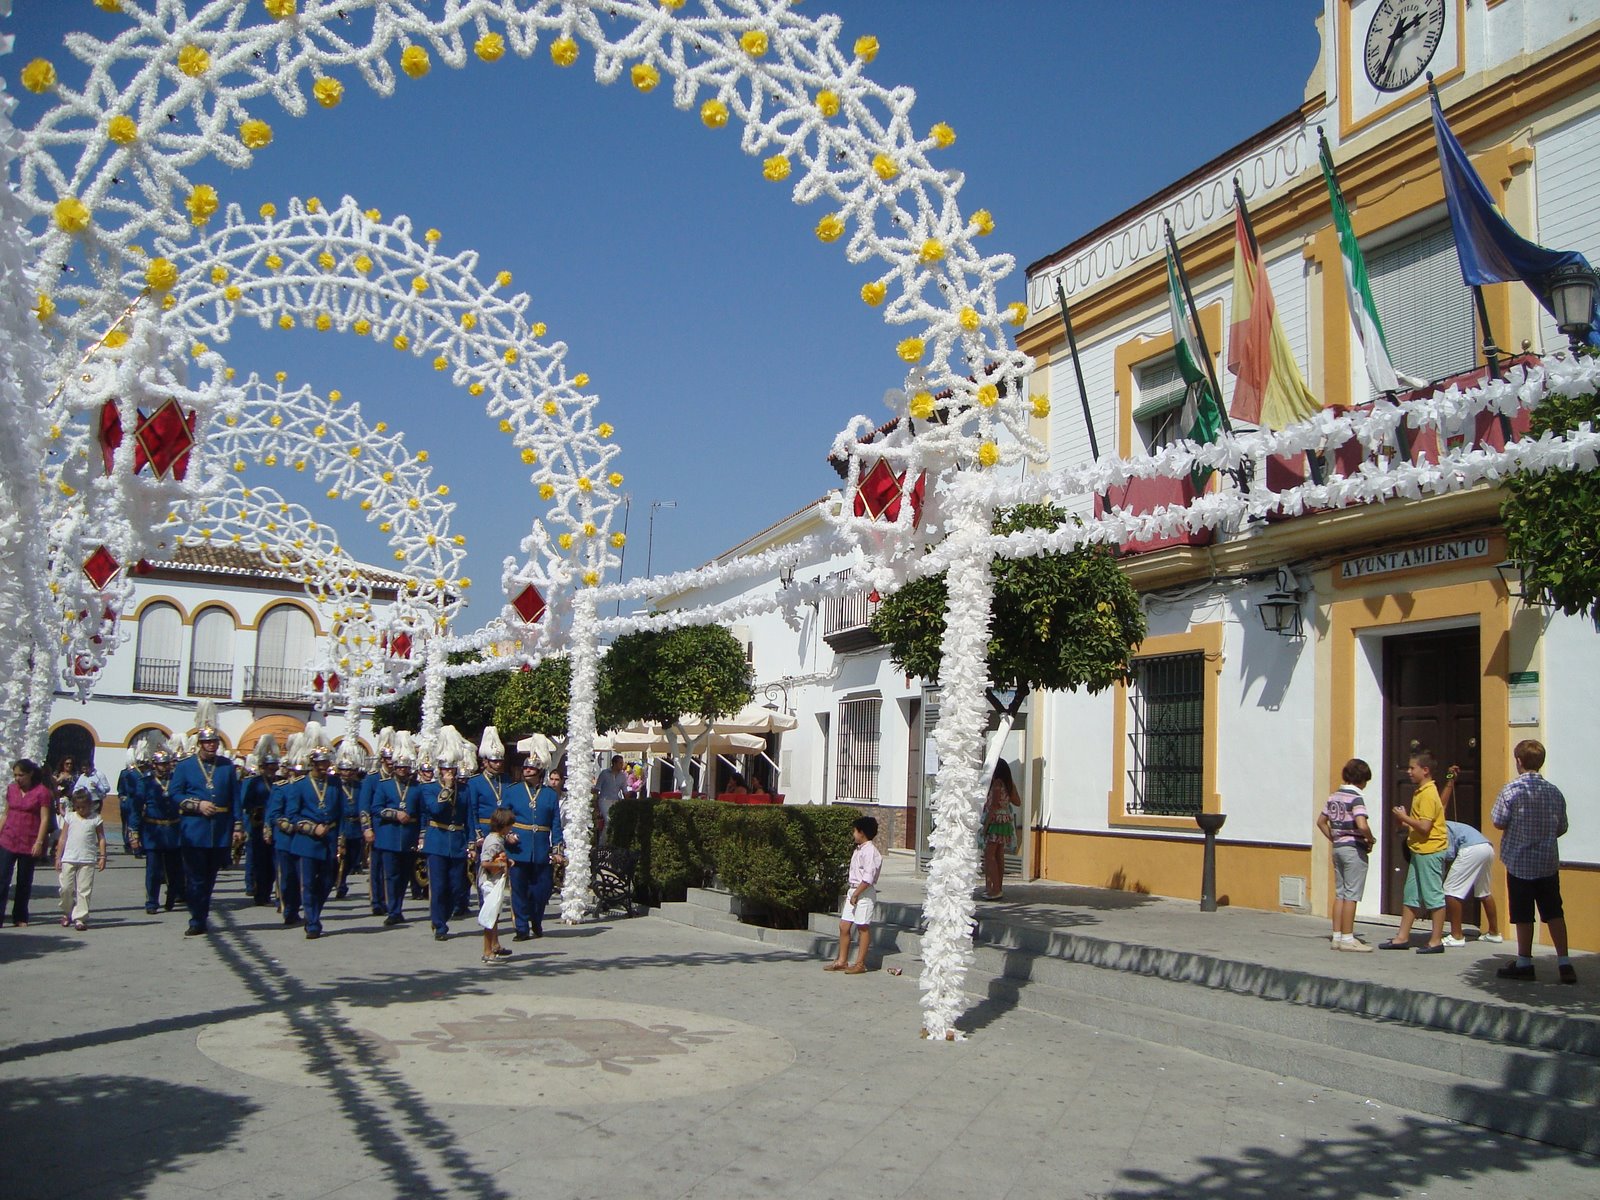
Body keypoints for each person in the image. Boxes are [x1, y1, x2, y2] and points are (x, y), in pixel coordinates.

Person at [1492, 739, 1575, 984]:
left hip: (1519, 862)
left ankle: (1525, 962)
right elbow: (1562, 826)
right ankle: (1565, 963)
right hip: (1547, 862)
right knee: (1554, 911)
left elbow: (1498, 820)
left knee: (1523, 914)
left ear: (1519, 761)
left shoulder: (1511, 790)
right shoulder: (1553, 791)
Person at [170, 720, 243, 937]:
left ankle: (202, 914)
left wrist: (238, 825)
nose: (211, 745)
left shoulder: (227, 767)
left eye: (214, 742)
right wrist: (196, 804)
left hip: (219, 830)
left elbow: (235, 798)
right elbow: (174, 794)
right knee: (195, 878)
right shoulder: (185, 766)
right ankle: (196, 918)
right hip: (194, 829)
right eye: (207, 742)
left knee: (209, 878)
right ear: (200, 744)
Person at [1380, 751, 1448, 953]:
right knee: (1411, 895)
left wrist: (1404, 817)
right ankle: (1402, 937)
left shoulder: (1428, 794)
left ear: (1425, 770)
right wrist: (1404, 819)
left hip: (1430, 851)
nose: (1408, 771)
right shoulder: (1420, 791)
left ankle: (1436, 941)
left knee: (1434, 896)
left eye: (1412, 768)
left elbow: (1425, 827)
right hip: (1419, 851)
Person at [1316, 757, 1375, 952]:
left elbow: (1321, 821)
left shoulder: (1334, 796)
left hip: (1338, 848)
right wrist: (1370, 838)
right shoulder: (1356, 798)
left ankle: (1337, 936)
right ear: (1362, 779)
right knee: (1352, 894)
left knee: (1340, 893)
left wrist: (1334, 837)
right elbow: (1361, 824)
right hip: (1353, 848)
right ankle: (1349, 938)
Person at [502, 760, 565, 942]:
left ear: (540, 771)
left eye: (531, 768)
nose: (527, 771)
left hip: (541, 849)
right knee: (519, 891)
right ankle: (521, 928)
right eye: (525, 768)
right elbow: (502, 818)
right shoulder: (512, 791)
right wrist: (508, 835)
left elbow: (555, 824)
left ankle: (536, 920)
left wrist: (557, 849)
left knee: (542, 890)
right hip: (519, 848)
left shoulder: (549, 795)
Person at [286, 744, 345, 940]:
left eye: (326, 761)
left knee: (328, 881)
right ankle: (312, 922)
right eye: (320, 762)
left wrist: (340, 838)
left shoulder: (335, 783)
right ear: (312, 763)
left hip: (328, 839)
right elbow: (292, 816)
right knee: (308, 883)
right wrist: (311, 828)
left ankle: (314, 912)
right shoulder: (300, 785)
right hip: (307, 842)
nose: (323, 765)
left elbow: (342, 812)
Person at [370, 735, 421, 927]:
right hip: (388, 836)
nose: (402, 770)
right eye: (399, 767)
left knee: (404, 875)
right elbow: (376, 808)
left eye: (405, 767)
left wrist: (420, 834)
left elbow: (422, 812)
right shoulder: (384, 786)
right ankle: (393, 910)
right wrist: (394, 814)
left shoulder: (416, 788)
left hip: (408, 837)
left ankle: (398, 907)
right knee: (391, 876)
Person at [129, 747, 185, 915]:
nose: (164, 767)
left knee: (175, 870)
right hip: (153, 830)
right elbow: (136, 808)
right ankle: (151, 902)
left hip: (173, 830)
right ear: (154, 765)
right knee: (153, 870)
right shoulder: (146, 782)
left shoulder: (176, 780)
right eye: (161, 764)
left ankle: (172, 896)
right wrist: (134, 832)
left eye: (166, 764)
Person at [0, 760, 54, 927]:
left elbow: (45, 819)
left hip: (29, 840)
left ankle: (20, 915)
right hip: (8, 838)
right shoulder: (11, 789)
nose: (17, 779)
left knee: (24, 880)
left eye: (21, 775)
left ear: (30, 774)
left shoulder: (42, 792)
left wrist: (39, 841)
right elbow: (5, 813)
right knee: (2, 878)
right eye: (15, 775)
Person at [421, 756, 469, 941]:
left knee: (456, 885)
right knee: (439, 886)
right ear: (439, 770)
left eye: (452, 770)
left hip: (457, 840)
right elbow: (435, 809)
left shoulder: (464, 789)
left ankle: (445, 914)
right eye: (446, 769)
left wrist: (471, 841)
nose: (450, 773)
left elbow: (468, 816)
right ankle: (439, 924)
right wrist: (447, 789)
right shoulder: (429, 788)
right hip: (437, 841)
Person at [826, 816, 882, 974]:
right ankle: (842, 960)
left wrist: (856, 894)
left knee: (862, 926)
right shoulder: (859, 849)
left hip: (863, 891)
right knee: (844, 926)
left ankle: (860, 963)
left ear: (862, 832)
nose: (853, 834)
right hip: (854, 889)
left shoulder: (870, 851)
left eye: (855, 831)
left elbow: (868, 877)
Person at [1440, 820, 1504, 946]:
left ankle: (1456, 935)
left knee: (1450, 890)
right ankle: (1494, 933)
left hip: (1470, 848)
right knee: (1484, 891)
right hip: (1487, 847)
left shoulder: (1439, 828)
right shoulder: (1448, 824)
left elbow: (1448, 854)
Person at [55, 784, 106, 931]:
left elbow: (101, 838)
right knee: (66, 887)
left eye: (84, 807)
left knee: (84, 889)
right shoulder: (70, 817)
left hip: (87, 858)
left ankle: (80, 917)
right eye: (78, 807)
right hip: (69, 857)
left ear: (90, 805)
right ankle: (67, 911)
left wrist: (102, 856)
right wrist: (58, 856)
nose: (81, 810)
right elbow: (63, 838)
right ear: (74, 806)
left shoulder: (95, 819)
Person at [237, 737, 280, 907]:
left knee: (273, 861)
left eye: (274, 768)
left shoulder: (279, 782)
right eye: (268, 768)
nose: (272, 771)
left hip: (275, 826)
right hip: (259, 824)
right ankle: (259, 892)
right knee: (259, 860)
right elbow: (246, 803)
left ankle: (270, 891)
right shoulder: (254, 782)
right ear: (262, 768)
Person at [477, 807, 514, 964]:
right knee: (490, 916)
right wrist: (501, 865)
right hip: (490, 882)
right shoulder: (493, 841)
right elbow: (485, 862)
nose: (510, 829)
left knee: (496, 915)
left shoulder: (498, 838)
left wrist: (507, 861)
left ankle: (495, 945)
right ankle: (487, 951)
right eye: (509, 826)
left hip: (496, 881)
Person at [981, 760, 1021, 901]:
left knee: (989, 854)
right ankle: (997, 887)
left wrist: (985, 827)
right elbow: (1018, 801)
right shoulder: (1008, 783)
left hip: (995, 822)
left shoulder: (997, 784)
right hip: (1005, 821)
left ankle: (995, 889)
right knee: (999, 855)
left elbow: (992, 807)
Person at [116, 746, 149, 858]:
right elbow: (126, 788)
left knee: (142, 824)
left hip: (142, 802)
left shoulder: (145, 773)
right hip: (133, 801)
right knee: (132, 824)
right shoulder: (131, 773)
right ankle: (134, 847)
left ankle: (141, 846)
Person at [596, 754, 629, 843]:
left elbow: (625, 790)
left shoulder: (622, 776)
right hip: (604, 800)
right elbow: (597, 788)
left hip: (615, 800)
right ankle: (602, 844)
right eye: (620, 763)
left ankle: (612, 842)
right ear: (614, 763)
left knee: (616, 822)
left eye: (622, 763)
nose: (622, 765)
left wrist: (629, 802)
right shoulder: (604, 773)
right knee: (609, 821)